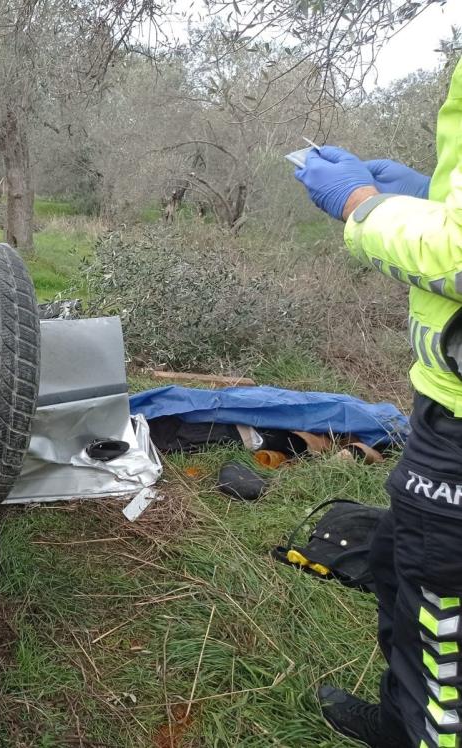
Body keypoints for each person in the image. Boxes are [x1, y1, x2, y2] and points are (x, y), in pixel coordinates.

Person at [293, 59, 462, 748]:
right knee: (398, 559)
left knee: (439, 614)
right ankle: (399, 724)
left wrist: (363, 207)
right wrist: (429, 198)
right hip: (440, 407)